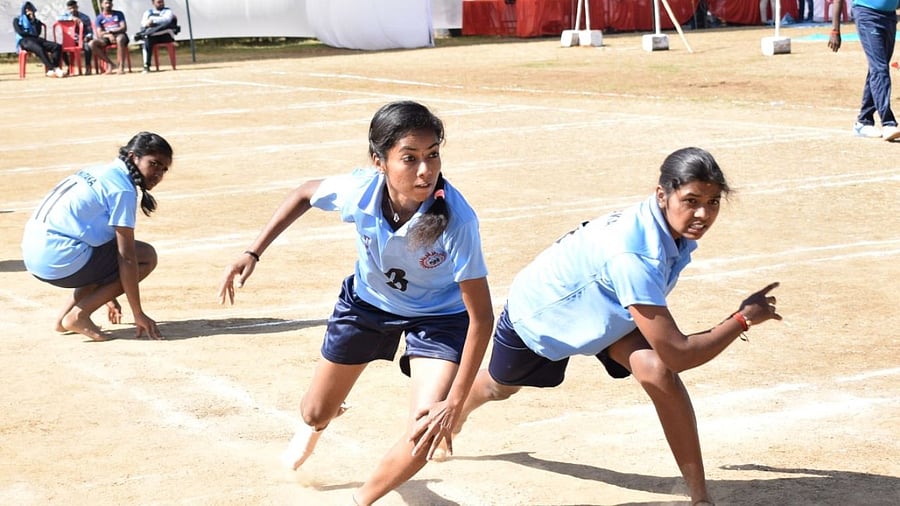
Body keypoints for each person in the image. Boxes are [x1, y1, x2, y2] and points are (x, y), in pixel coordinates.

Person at [443, 147, 782, 506]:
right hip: (544, 314)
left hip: (607, 309)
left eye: (713, 201)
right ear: (662, 195)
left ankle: (699, 497)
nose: (703, 213)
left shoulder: (664, 228)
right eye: (691, 200)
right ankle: (454, 414)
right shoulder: (635, 255)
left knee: (658, 372)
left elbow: (668, 360)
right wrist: (743, 318)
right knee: (500, 386)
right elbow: (680, 353)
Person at [218, 101, 494, 505]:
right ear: (378, 161)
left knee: (426, 425)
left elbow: (481, 318)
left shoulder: (456, 220)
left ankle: (361, 500)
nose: (425, 170)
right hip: (367, 306)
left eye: (433, 154)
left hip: (438, 318)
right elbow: (303, 194)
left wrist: (454, 401)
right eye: (410, 158)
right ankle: (319, 423)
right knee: (314, 412)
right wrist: (253, 252)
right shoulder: (359, 190)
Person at [21, 132, 172, 342]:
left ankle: (62, 319)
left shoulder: (99, 171)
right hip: (58, 259)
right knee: (146, 256)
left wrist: (107, 292)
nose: (158, 174)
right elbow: (126, 257)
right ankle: (78, 316)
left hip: (34, 254)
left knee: (99, 251)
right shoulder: (122, 189)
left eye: (164, 169)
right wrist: (138, 313)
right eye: (154, 164)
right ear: (132, 157)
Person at [829, 0, 900, 141]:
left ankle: (863, 121)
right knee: (880, 69)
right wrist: (835, 29)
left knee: (878, 68)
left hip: (889, 17)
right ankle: (888, 123)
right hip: (867, 15)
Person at [13, 1, 66, 78]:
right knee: (39, 48)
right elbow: (20, 32)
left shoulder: (36, 21)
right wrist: (32, 35)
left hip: (36, 39)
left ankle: (53, 69)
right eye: (26, 9)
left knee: (56, 46)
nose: (28, 10)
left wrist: (33, 20)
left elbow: (37, 33)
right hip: (24, 40)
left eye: (30, 8)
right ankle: (53, 68)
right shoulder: (17, 20)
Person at [135, 0, 179, 74]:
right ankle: (146, 65)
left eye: (162, 2)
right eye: (159, 2)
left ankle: (143, 34)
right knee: (147, 40)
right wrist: (148, 24)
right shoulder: (148, 12)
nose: (161, 3)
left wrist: (152, 20)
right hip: (152, 37)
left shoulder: (168, 11)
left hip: (166, 36)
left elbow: (166, 20)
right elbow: (143, 23)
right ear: (153, 3)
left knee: (165, 26)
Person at [93, 0, 129, 74]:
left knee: (120, 39)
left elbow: (123, 28)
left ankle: (121, 66)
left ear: (112, 4)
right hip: (106, 37)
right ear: (102, 5)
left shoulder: (119, 14)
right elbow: (99, 33)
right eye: (106, 3)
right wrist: (109, 35)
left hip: (119, 34)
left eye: (109, 3)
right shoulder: (99, 18)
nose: (108, 5)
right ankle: (110, 64)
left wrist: (113, 32)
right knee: (92, 43)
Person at [58, 0, 93, 75]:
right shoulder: (66, 15)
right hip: (70, 40)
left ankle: (88, 67)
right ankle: (69, 66)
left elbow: (90, 31)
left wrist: (87, 37)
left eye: (74, 8)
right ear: (68, 9)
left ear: (77, 7)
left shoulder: (85, 17)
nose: (72, 10)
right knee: (60, 48)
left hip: (82, 39)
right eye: (70, 8)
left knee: (87, 47)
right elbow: (59, 18)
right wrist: (71, 18)